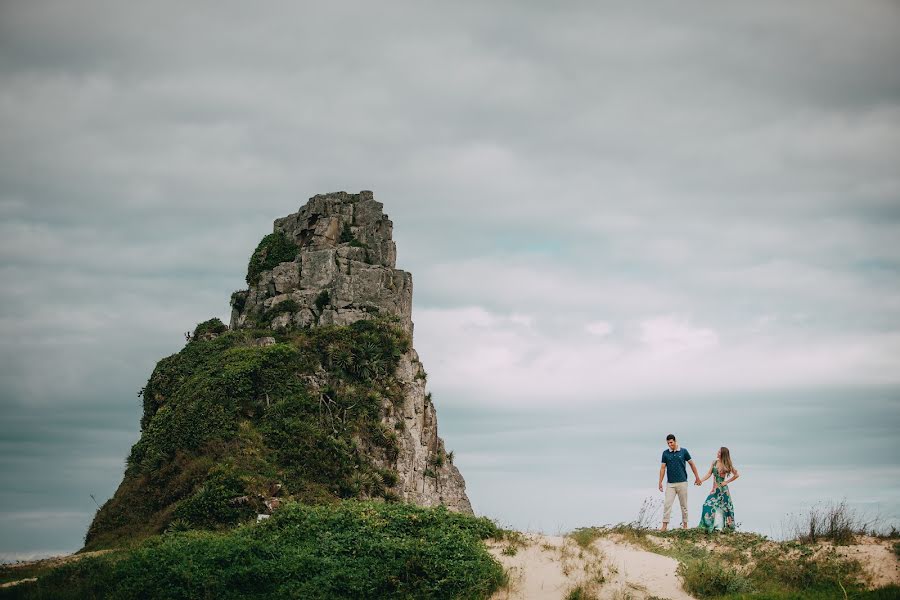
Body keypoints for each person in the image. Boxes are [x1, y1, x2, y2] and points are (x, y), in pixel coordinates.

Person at [658, 434, 702, 531]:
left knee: (684, 505)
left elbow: (692, 464)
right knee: (667, 504)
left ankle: (685, 526)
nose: (670, 445)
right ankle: (664, 526)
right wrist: (660, 482)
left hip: (682, 482)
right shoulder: (665, 453)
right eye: (668, 443)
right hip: (670, 484)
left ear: (675, 441)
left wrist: (697, 477)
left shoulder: (683, 451)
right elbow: (662, 468)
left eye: (671, 442)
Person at [698, 447, 740, 532]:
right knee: (706, 505)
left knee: (724, 509)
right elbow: (709, 473)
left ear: (723, 454)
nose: (717, 453)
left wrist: (726, 482)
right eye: (718, 451)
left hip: (723, 490)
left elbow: (736, 475)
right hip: (714, 490)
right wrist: (700, 480)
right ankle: (708, 526)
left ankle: (722, 527)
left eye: (719, 452)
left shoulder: (727, 464)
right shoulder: (714, 462)